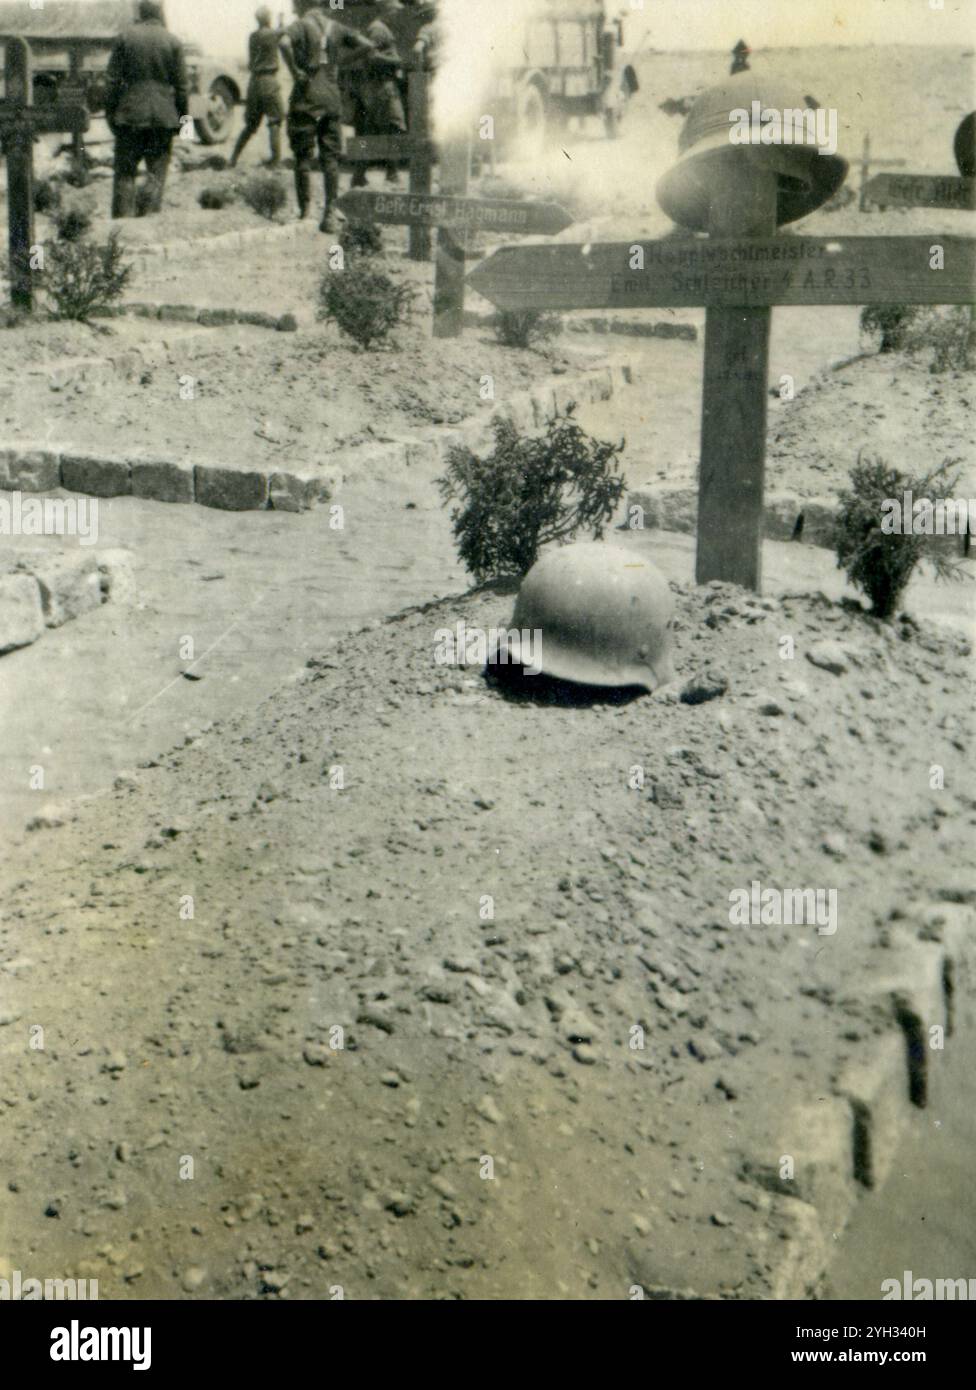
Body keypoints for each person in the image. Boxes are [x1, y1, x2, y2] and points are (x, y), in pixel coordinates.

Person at [279, 0, 376, 232]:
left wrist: (295, 71)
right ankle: (330, 213)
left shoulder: (301, 25)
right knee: (330, 158)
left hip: (306, 95)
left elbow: (283, 43)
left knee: (303, 156)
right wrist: (340, 62)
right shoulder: (336, 27)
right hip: (331, 96)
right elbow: (368, 45)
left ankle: (305, 212)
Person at [105, 0, 188, 219]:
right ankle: (149, 224)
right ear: (160, 12)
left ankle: (122, 229)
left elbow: (111, 82)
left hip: (130, 115)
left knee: (125, 174)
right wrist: (184, 123)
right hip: (163, 117)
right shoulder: (173, 41)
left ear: (140, 12)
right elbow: (182, 89)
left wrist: (111, 114)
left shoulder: (125, 37)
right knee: (156, 174)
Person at [346, 0, 407, 189]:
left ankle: (360, 175)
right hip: (382, 85)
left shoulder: (379, 28)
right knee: (395, 126)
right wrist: (395, 61)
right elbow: (371, 57)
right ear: (387, 11)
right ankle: (392, 174)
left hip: (379, 86)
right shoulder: (379, 29)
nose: (398, 16)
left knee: (373, 129)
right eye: (396, 12)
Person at [230, 7, 284, 169]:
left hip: (254, 83)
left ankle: (233, 158)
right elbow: (282, 32)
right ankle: (275, 161)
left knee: (251, 125)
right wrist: (281, 21)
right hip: (269, 81)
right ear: (268, 19)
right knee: (274, 121)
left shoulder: (253, 36)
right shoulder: (273, 34)